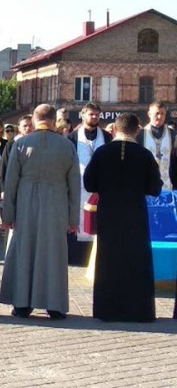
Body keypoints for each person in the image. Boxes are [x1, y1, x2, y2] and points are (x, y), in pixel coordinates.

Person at [0, 104, 81, 320]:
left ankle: (22, 304)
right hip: (56, 205)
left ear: (35, 120)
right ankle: (54, 305)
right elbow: (74, 185)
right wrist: (74, 219)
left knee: (25, 252)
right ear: (54, 121)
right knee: (53, 254)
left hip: (26, 204)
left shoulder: (21, 144)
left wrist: (7, 215)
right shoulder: (67, 146)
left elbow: (11, 184)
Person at [84, 113, 162, 322]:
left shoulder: (102, 152)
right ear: (137, 130)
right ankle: (138, 311)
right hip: (135, 214)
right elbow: (155, 188)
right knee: (136, 260)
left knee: (109, 259)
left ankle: (107, 310)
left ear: (115, 130)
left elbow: (89, 183)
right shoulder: (144, 154)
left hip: (109, 214)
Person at [68, 103, 113, 257]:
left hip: (101, 187)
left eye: (97, 115)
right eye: (91, 114)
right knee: (78, 218)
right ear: (83, 115)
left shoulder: (107, 137)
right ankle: (77, 254)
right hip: (78, 185)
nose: (94, 117)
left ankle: (97, 255)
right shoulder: (73, 138)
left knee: (99, 220)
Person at [137, 101, 175, 191]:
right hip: (146, 185)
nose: (160, 117)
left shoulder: (172, 134)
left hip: (168, 184)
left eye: (162, 114)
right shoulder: (141, 134)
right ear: (149, 114)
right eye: (157, 113)